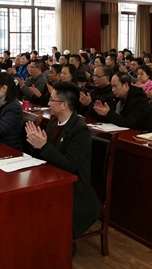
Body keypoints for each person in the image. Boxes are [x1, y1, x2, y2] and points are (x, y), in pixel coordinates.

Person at [25, 81, 99, 240]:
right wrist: (35, 144)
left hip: (74, 187)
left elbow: (69, 165)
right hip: (52, 178)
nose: (48, 103)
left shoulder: (80, 130)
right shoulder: (53, 122)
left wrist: (43, 146)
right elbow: (45, 154)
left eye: (52, 100)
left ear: (65, 105)